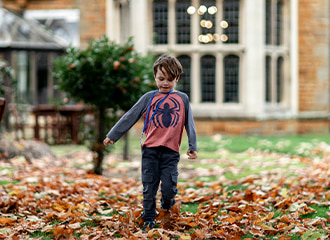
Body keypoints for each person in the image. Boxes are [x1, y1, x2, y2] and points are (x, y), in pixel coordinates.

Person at [103, 55, 198, 231]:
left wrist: (193, 145)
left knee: (169, 187)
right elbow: (130, 116)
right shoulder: (149, 98)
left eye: (170, 79)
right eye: (161, 79)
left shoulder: (183, 98)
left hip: (171, 152)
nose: (165, 83)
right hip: (150, 151)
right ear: (155, 77)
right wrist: (113, 135)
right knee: (149, 187)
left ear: (177, 78)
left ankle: (167, 205)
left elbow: (189, 123)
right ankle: (148, 217)